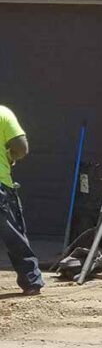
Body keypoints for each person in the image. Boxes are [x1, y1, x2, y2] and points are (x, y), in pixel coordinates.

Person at [0, 105, 43, 295]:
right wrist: (10, 157)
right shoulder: (3, 114)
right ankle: (31, 281)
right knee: (13, 235)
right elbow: (21, 147)